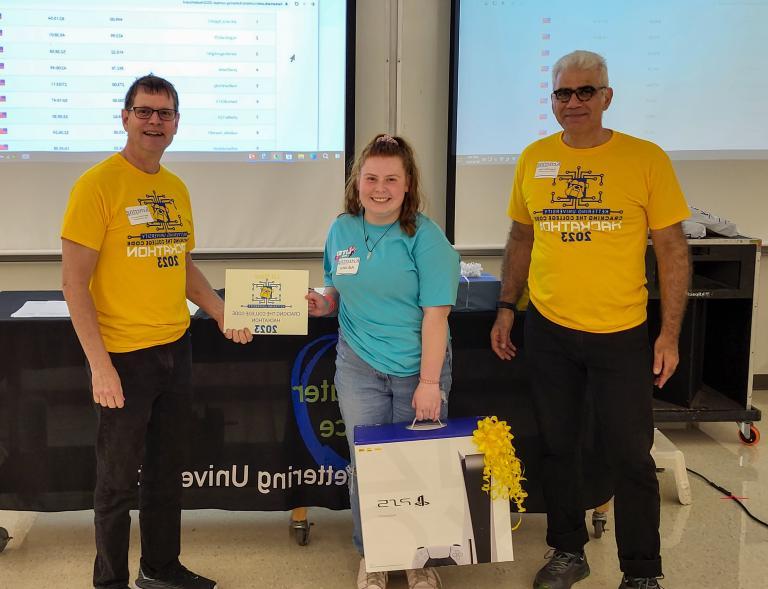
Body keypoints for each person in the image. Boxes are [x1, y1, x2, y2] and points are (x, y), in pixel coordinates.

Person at [490, 51, 690, 589]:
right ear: (551, 100)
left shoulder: (645, 159)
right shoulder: (533, 158)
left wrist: (668, 333)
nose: (573, 102)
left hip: (621, 334)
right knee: (559, 447)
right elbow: (521, 238)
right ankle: (566, 552)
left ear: (607, 96)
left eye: (585, 91)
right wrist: (508, 307)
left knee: (630, 455)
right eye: (563, 93)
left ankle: (642, 573)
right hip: (550, 330)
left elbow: (671, 248)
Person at [61, 75, 252, 589]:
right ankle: (110, 582)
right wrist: (100, 366)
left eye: (164, 113)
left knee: (167, 474)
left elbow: (181, 264)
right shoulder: (97, 185)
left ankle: (160, 569)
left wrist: (220, 309)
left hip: (176, 347)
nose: (154, 121)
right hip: (123, 357)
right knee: (117, 483)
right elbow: (73, 283)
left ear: (176, 124)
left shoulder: (174, 188)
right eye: (144, 111)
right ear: (124, 117)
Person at [307, 134, 460, 589]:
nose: (380, 188)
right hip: (358, 365)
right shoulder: (342, 230)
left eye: (391, 179)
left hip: (420, 366)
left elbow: (437, 317)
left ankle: (418, 558)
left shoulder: (427, 238)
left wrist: (429, 383)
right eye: (370, 177)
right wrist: (323, 301)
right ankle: (374, 555)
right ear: (357, 183)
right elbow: (338, 285)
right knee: (367, 465)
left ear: (408, 184)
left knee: (417, 462)